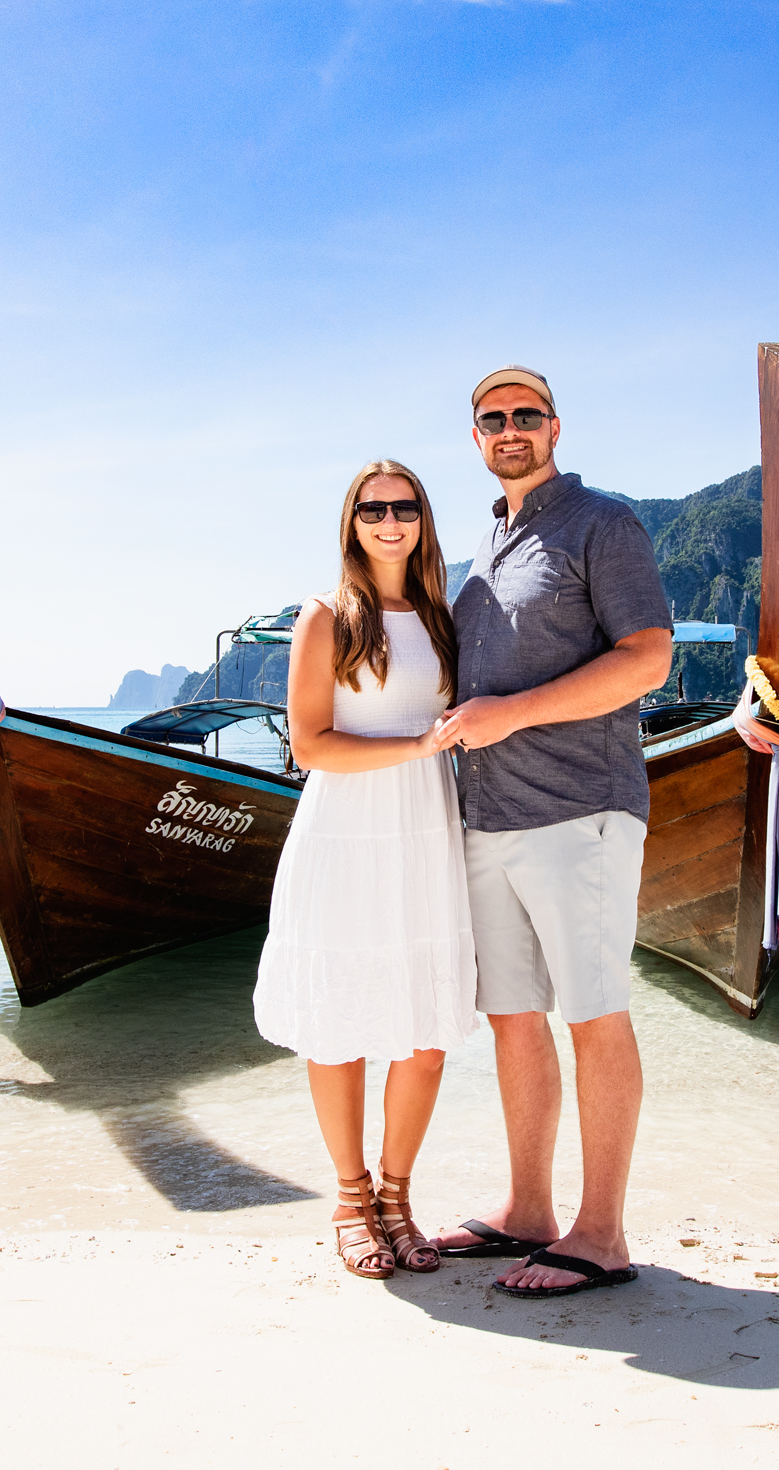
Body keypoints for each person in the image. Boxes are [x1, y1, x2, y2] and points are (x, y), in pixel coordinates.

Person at [427, 366, 674, 1298]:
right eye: (492, 418)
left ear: (556, 427)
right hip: (486, 818)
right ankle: (529, 1209)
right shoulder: (484, 549)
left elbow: (647, 659)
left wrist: (513, 715)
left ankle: (601, 1233)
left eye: (526, 414)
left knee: (594, 1013)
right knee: (514, 1018)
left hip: (582, 812)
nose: (510, 429)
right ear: (478, 437)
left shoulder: (601, 524)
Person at [252, 460, 478, 1280]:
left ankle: (397, 1197)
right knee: (339, 1022)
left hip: (426, 826)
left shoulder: (442, 616)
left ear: (423, 517)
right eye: (372, 508)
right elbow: (308, 743)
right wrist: (416, 744)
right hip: (346, 830)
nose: (389, 520)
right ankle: (350, 1199)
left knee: (425, 1033)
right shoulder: (327, 616)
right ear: (351, 522)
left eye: (404, 506)